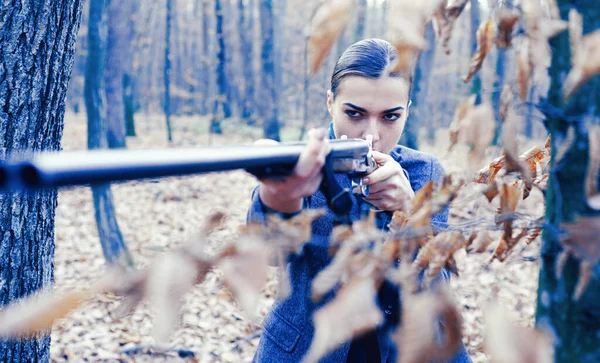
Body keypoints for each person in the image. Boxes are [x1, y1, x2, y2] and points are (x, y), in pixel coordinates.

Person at [247, 39, 471, 363]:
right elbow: (265, 251)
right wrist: (278, 195)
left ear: (408, 111)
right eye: (354, 114)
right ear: (330, 103)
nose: (371, 135)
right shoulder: (304, 165)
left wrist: (410, 213)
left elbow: (437, 287)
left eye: (390, 117)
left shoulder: (426, 171)